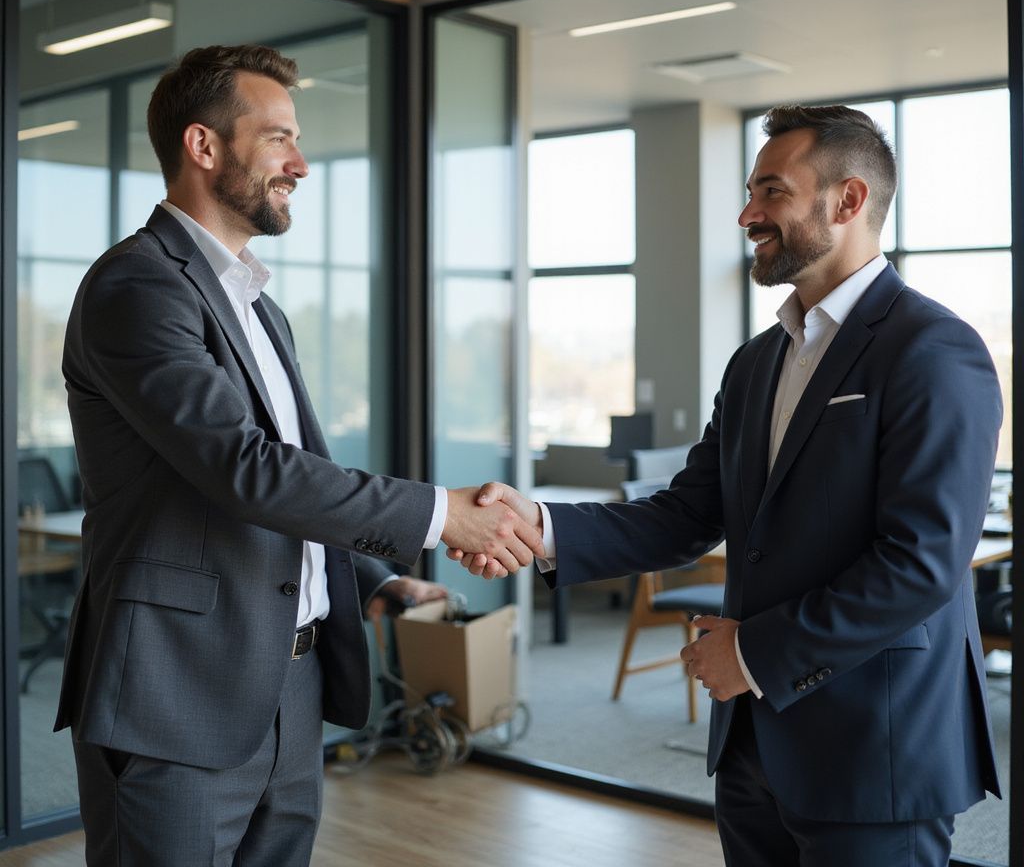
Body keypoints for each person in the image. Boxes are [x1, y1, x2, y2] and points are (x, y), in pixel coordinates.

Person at [459, 105, 1003, 866]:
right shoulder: (756, 363)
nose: (748, 214)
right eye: (750, 191)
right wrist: (539, 524)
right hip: (751, 743)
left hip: (872, 747)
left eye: (771, 191)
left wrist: (751, 654)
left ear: (847, 201)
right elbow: (688, 515)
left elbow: (920, 565)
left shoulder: (934, 350)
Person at [58, 43, 542, 867]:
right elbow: (243, 470)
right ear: (203, 146)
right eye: (278, 137)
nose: (302, 164)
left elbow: (281, 488)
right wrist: (439, 512)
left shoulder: (255, 303)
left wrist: (374, 577)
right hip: (180, 690)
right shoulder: (138, 287)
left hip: (290, 684)